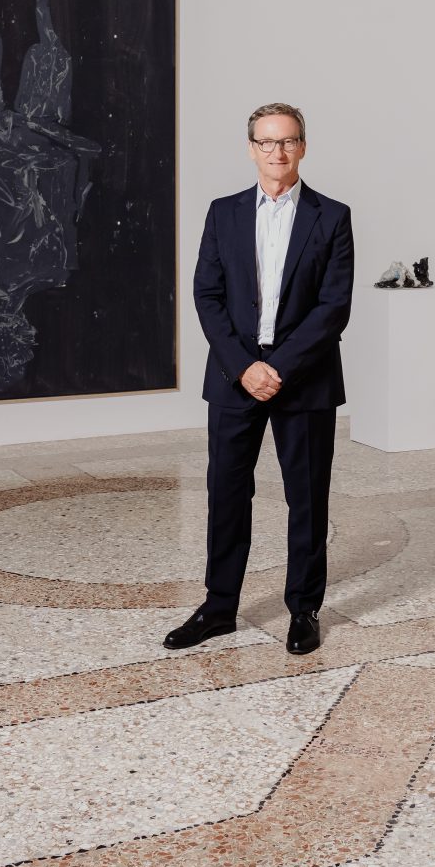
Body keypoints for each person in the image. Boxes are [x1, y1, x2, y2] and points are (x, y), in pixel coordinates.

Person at [163, 104, 354, 656]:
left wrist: (280, 367)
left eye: (288, 141)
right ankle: (219, 607)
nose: (278, 151)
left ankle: (303, 610)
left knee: (307, 498)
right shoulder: (222, 213)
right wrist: (245, 366)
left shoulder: (332, 216)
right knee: (226, 493)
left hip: (305, 378)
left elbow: (333, 307)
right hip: (234, 376)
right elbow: (207, 296)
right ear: (251, 149)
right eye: (267, 142)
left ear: (303, 147)